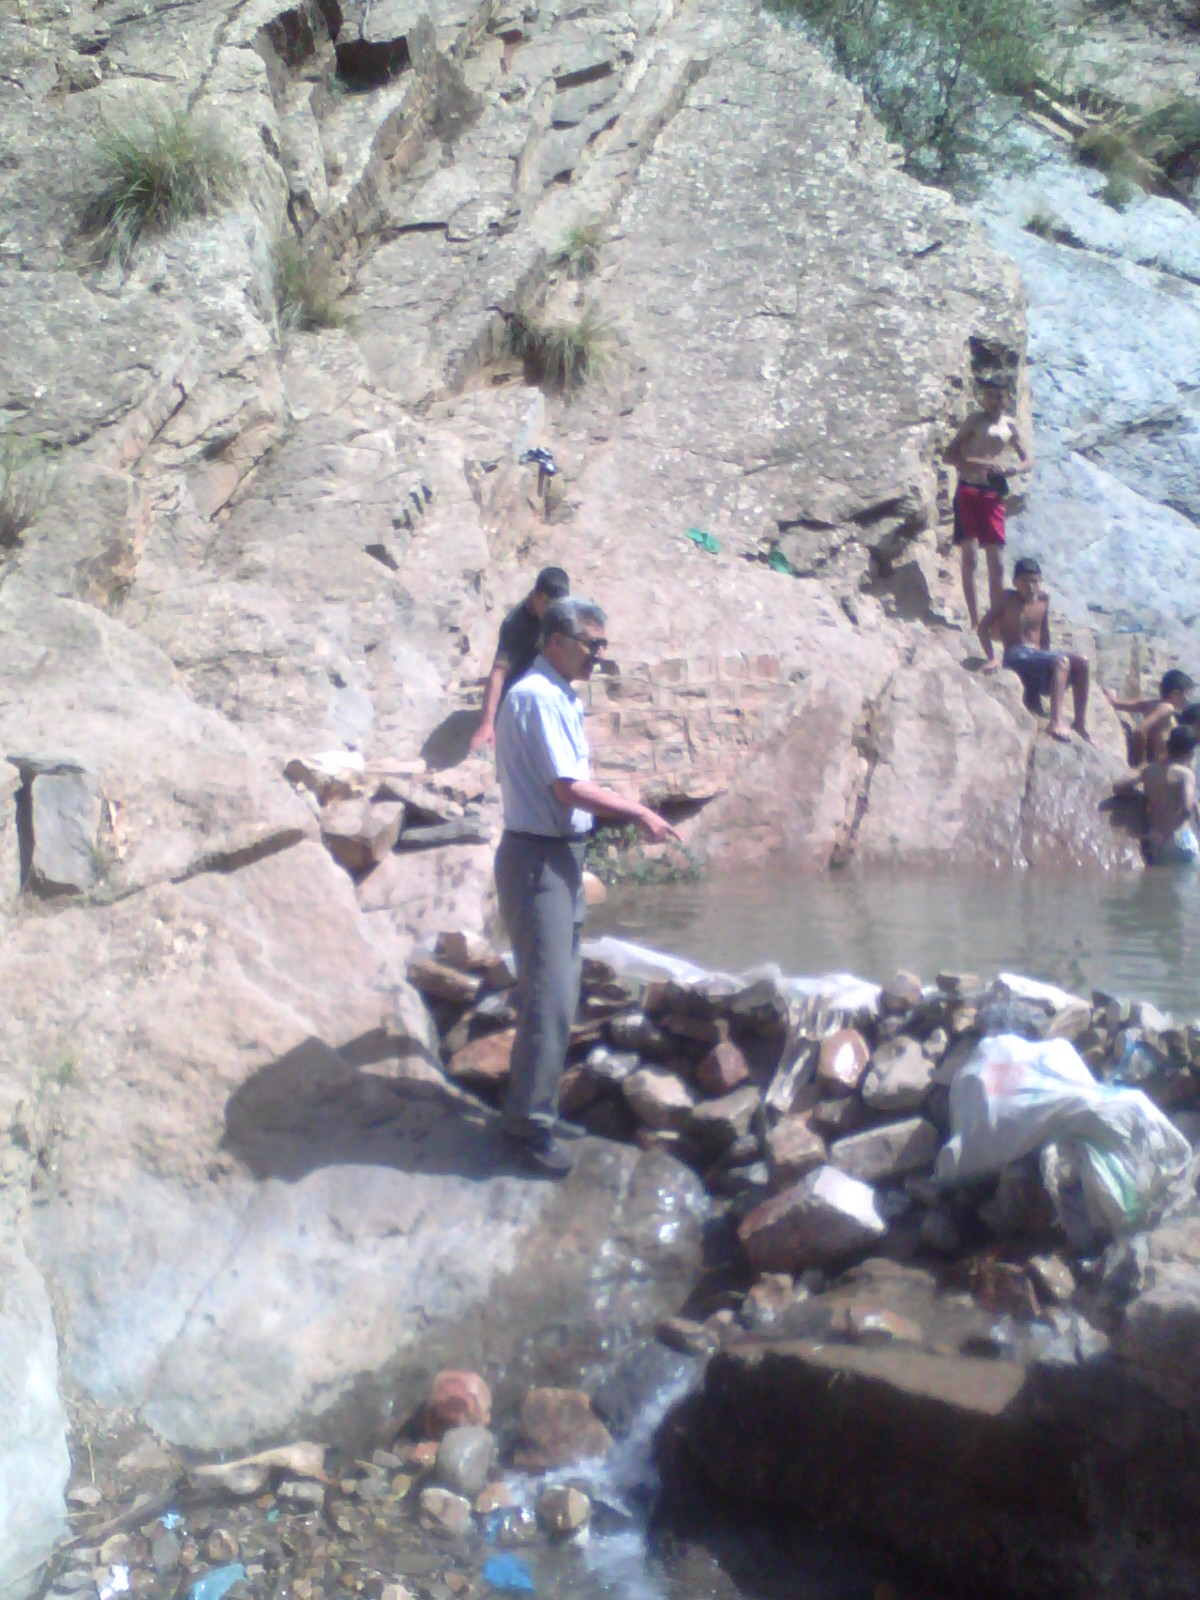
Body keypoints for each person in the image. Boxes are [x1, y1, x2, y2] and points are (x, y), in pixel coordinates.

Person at [493, 596, 682, 1176]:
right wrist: (640, 813)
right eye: (591, 644)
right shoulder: (535, 698)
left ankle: (536, 1110)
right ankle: (527, 1129)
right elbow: (568, 789)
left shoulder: (556, 697)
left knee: (561, 990)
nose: (599, 655)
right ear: (556, 640)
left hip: (559, 859)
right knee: (549, 999)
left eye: (602, 644)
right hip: (538, 863)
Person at [944, 377, 1032, 629]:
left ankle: (994, 619)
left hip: (993, 492)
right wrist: (982, 463)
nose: (994, 401)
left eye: (999, 396)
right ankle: (973, 620)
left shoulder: (1010, 426)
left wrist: (1013, 469)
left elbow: (1028, 459)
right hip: (969, 488)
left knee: (997, 559)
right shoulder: (974, 422)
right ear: (983, 398)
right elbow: (950, 455)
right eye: (990, 396)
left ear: (1007, 398)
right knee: (970, 555)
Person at [979, 556, 1091, 744]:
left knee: (1083, 661)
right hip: (1016, 655)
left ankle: (1080, 723)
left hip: (1037, 657)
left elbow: (1044, 632)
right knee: (1061, 661)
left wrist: (1050, 663)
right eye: (1025, 581)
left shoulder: (1043, 600)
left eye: (1035, 581)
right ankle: (1055, 722)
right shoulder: (1007, 599)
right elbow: (983, 627)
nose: (1031, 586)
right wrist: (992, 657)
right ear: (1015, 582)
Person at [468, 566, 570, 752]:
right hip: (517, 701)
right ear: (534, 596)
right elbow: (498, 674)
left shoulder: (562, 617)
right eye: (547, 604)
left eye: (557, 606)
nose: (552, 612)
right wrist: (487, 724)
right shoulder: (516, 624)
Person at [1114, 726, 1199, 865]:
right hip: (1179, 838)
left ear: (1167, 746)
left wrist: (1140, 796)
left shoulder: (1149, 770)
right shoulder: (1186, 774)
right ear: (1190, 753)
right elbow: (1187, 808)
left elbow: (1119, 787)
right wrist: (1163, 833)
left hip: (1155, 841)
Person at [1104, 669, 1195, 767]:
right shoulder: (1167, 708)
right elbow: (1139, 731)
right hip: (1156, 767)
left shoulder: (1154, 704)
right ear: (1175, 694)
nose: (1188, 700)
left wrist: (1113, 701)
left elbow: (1130, 705)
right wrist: (1141, 763)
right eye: (1187, 694)